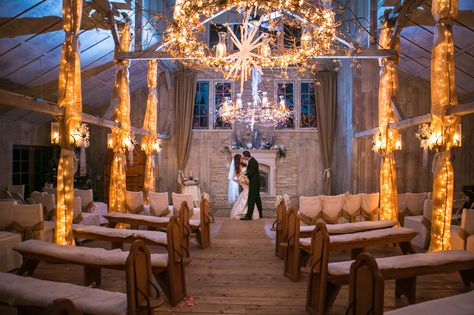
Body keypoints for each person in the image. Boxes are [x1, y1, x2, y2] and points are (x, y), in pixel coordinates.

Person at [229, 154, 259, 220]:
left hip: (248, 183)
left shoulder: (244, 165)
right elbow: (233, 178)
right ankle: (241, 212)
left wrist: (246, 178)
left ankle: (248, 213)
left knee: (248, 196)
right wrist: (240, 180)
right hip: (244, 183)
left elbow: (248, 173)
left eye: (242, 158)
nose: (242, 159)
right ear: (238, 159)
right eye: (241, 158)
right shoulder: (237, 168)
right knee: (247, 195)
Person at [240, 150, 263, 220]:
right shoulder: (251, 161)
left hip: (254, 183)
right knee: (257, 199)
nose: (243, 157)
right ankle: (260, 213)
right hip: (255, 182)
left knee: (251, 199)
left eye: (243, 156)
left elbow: (250, 173)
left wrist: (243, 176)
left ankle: (248, 216)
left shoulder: (253, 161)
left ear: (246, 156)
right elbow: (250, 172)